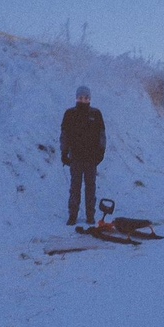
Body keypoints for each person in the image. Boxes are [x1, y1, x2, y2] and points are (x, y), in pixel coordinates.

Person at [60, 86, 106, 225]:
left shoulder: (96, 114)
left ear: (90, 99)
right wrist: (64, 152)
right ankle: (72, 215)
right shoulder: (70, 114)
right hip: (76, 158)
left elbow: (102, 135)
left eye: (86, 98)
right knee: (75, 187)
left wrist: (101, 153)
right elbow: (64, 135)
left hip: (91, 158)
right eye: (80, 97)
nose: (83, 100)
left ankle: (90, 216)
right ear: (76, 98)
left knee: (90, 188)